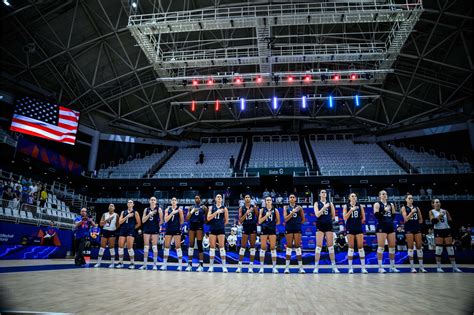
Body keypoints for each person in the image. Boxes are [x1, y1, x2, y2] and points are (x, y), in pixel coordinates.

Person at [429, 199, 462, 272]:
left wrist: (453, 235)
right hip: (438, 230)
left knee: (450, 249)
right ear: (433, 204)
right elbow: (433, 221)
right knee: (439, 249)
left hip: (446, 230)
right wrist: (440, 215)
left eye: (439, 202)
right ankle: (438, 267)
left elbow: (450, 222)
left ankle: (454, 267)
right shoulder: (431, 212)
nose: (438, 203)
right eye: (436, 202)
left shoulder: (445, 211)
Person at [314, 190, 339, 273]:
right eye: (322, 192)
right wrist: (324, 208)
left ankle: (334, 267)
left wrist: (327, 220)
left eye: (325, 192)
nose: (324, 193)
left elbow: (333, 215)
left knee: (330, 246)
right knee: (318, 247)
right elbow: (317, 214)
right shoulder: (317, 203)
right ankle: (316, 267)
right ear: (320, 194)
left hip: (328, 225)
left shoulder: (330, 203)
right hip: (320, 225)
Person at [373, 190, 399, 273]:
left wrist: (389, 220)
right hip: (381, 226)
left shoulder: (391, 204)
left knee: (392, 248)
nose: (385, 195)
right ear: (380, 196)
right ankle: (380, 267)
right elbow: (377, 216)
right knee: (381, 247)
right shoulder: (377, 204)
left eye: (386, 194)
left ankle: (392, 266)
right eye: (383, 194)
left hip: (390, 226)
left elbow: (393, 215)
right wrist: (384, 210)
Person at [343, 193, 368, 274]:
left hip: (358, 227)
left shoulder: (360, 206)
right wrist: (351, 210)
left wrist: (358, 222)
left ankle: (363, 267)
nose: (354, 197)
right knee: (351, 247)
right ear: (349, 198)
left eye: (355, 196)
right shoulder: (346, 206)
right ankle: (350, 268)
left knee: (361, 247)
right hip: (350, 227)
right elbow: (345, 217)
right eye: (352, 196)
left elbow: (364, 218)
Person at [401, 194, 427, 273]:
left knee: (419, 247)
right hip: (409, 228)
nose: (411, 199)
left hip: (416, 228)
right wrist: (411, 213)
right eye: (409, 198)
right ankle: (412, 267)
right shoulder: (404, 208)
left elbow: (421, 219)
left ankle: (421, 267)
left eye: (412, 198)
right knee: (410, 247)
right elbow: (405, 219)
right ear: (406, 200)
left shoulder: (417, 208)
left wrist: (417, 224)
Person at [283, 194, 305, 274]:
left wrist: (297, 224)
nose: (292, 198)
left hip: (297, 228)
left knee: (297, 247)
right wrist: (292, 213)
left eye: (293, 197)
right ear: (288, 199)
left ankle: (300, 268)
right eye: (290, 197)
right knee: (288, 247)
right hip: (289, 228)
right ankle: (287, 268)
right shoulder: (286, 207)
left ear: (295, 199)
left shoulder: (299, 208)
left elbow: (303, 219)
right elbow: (285, 219)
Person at [236, 194, 259, 273]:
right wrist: (246, 213)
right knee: (243, 246)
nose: (247, 198)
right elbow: (240, 220)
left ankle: (251, 266)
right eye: (246, 197)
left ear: (250, 199)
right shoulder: (241, 208)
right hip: (245, 227)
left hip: (253, 227)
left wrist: (255, 209)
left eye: (248, 197)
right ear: (244, 199)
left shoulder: (254, 207)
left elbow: (258, 217)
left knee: (252, 247)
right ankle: (239, 266)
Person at [207, 194, 229, 273]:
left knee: (222, 247)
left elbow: (226, 221)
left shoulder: (224, 208)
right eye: (218, 197)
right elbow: (208, 218)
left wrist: (220, 225)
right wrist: (216, 212)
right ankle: (211, 266)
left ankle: (224, 266)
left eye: (220, 197)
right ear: (215, 199)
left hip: (220, 229)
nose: (219, 198)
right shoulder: (211, 207)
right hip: (212, 228)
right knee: (212, 248)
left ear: (222, 199)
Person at [116, 200, 141, 269]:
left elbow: (139, 223)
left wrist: (132, 228)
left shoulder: (135, 212)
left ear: (133, 204)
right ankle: (121, 263)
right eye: (128, 202)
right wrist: (127, 216)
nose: (129, 203)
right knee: (120, 248)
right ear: (127, 204)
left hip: (131, 230)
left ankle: (132, 263)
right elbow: (120, 222)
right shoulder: (123, 212)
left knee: (129, 248)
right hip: (123, 230)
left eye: (131, 202)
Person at [258, 196, 281, 274]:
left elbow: (278, 222)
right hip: (264, 230)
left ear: (271, 201)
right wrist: (266, 216)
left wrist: (271, 224)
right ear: (265, 201)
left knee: (272, 248)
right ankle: (261, 268)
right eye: (267, 200)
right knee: (263, 248)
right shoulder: (262, 210)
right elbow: (259, 221)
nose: (268, 201)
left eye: (270, 200)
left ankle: (274, 268)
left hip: (272, 230)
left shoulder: (276, 210)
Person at [185, 195, 208, 272]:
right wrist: (192, 211)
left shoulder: (204, 207)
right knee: (191, 245)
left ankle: (201, 265)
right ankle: (189, 264)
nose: (197, 199)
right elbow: (187, 218)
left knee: (199, 245)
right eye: (195, 198)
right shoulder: (191, 207)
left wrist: (202, 223)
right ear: (194, 199)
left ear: (200, 199)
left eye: (198, 198)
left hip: (199, 226)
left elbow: (207, 219)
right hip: (192, 225)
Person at [140, 196, 163, 270]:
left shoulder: (159, 209)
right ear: (149, 201)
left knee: (154, 247)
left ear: (156, 201)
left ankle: (155, 265)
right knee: (146, 247)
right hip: (146, 229)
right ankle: (145, 265)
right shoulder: (146, 209)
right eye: (151, 200)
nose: (153, 201)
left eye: (154, 200)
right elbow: (143, 220)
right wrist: (150, 214)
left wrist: (157, 226)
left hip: (154, 230)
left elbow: (161, 220)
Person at [161, 197, 184, 271]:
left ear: (176, 202)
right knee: (166, 247)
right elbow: (165, 220)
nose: (174, 201)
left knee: (178, 247)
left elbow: (182, 221)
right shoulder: (167, 210)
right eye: (172, 200)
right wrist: (172, 213)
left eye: (175, 200)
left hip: (176, 229)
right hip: (169, 229)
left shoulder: (179, 210)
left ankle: (180, 265)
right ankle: (164, 265)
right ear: (171, 202)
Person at [94, 204, 119, 268]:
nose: (111, 206)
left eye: (112, 206)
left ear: (114, 208)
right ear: (108, 207)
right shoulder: (104, 214)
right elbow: (101, 224)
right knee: (102, 247)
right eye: (110, 206)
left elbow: (118, 224)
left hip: (112, 231)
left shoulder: (116, 215)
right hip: (105, 231)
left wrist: (114, 228)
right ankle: (98, 263)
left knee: (111, 248)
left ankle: (112, 263)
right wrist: (108, 219)